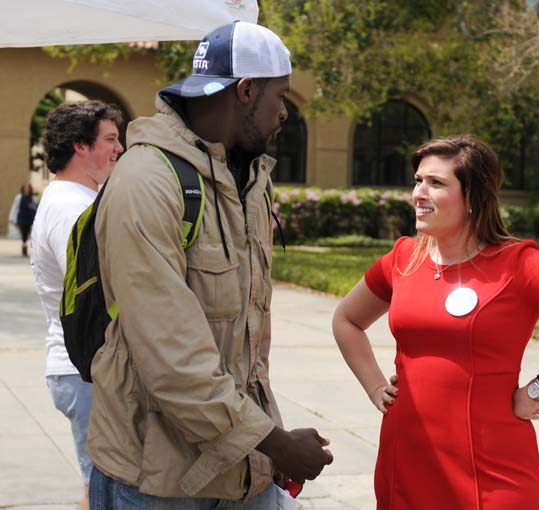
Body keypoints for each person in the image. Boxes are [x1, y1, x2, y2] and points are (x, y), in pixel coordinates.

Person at [87, 21, 333, 509]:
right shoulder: (146, 182)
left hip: (244, 468)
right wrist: (276, 443)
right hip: (156, 480)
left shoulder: (249, 177)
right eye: (280, 97)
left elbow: (245, 341)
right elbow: (171, 357)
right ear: (245, 91)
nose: (285, 112)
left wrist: (266, 446)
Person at [332, 135, 539, 510]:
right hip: (407, 460)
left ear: (473, 196)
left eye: (436, 183)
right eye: (418, 180)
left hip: (492, 470)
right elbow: (346, 319)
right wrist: (375, 385)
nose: (418, 193)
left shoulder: (518, 263)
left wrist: (538, 391)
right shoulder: (403, 258)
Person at [31, 100, 124, 510]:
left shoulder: (73, 199)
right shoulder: (73, 207)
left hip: (79, 369)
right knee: (106, 491)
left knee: (98, 487)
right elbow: (102, 292)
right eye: (110, 139)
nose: (119, 148)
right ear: (79, 146)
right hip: (86, 370)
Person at [15, 182, 38, 256]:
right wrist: (13, 218)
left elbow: (36, 208)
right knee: (24, 233)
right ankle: (24, 246)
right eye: (25, 188)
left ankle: (28, 247)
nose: (27, 190)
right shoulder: (19, 197)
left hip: (31, 218)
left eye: (28, 188)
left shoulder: (33, 198)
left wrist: (32, 207)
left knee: (30, 233)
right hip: (22, 218)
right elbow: (15, 208)